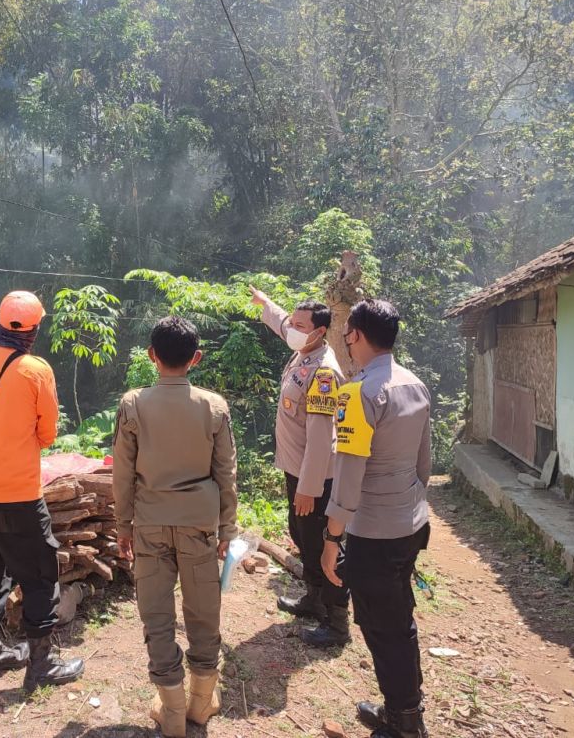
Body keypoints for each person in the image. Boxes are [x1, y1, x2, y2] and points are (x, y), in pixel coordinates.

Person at [113, 316, 239, 738]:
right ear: (196, 358)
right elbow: (226, 475)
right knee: (204, 611)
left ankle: (171, 709)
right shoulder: (214, 406)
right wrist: (228, 530)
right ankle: (201, 702)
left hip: (149, 524)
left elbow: (123, 475)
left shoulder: (133, 404)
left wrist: (123, 525)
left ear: (152, 356)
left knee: (157, 614)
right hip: (200, 527)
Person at [0, 290, 84, 692]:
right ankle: (41, 664)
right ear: (33, 329)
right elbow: (46, 433)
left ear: (0, 322)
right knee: (39, 574)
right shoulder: (35, 369)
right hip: (19, 495)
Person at [321, 299, 432, 738]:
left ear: (358, 336)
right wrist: (409, 503)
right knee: (398, 617)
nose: (346, 341)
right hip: (410, 523)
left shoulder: (358, 392)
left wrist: (332, 537)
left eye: (347, 333)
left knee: (381, 624)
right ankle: (403, 708)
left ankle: (405, 720)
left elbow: (348, 477)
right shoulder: (415, 385)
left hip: (374, 532)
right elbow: (425, 463)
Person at [249, 286, 351, 647]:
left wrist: (309, 488)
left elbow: (323, 439)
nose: (291, 328)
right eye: (291, 322)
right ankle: (313, 600)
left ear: (319, 331)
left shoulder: (323, 373)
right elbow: (282, 324)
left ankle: (337, 624)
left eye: (299, 325)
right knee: (300, 535)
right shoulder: (303, 350)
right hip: (296, 469)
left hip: (316, 478)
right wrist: (266, 304)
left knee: (324, 543)